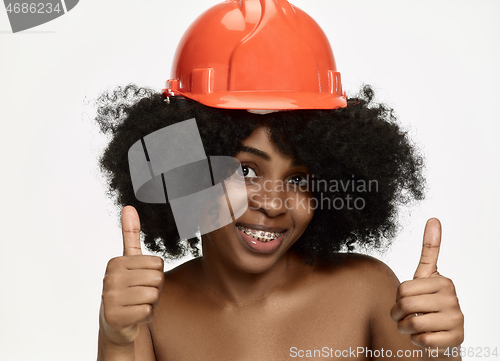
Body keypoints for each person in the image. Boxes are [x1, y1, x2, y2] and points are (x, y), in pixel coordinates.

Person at [96, 1, 464, 360]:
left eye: (300, 179)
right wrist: (115, 339)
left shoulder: (366, 291)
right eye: (245, 171)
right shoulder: (149, 315)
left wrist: (441, 354)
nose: (273, 204)